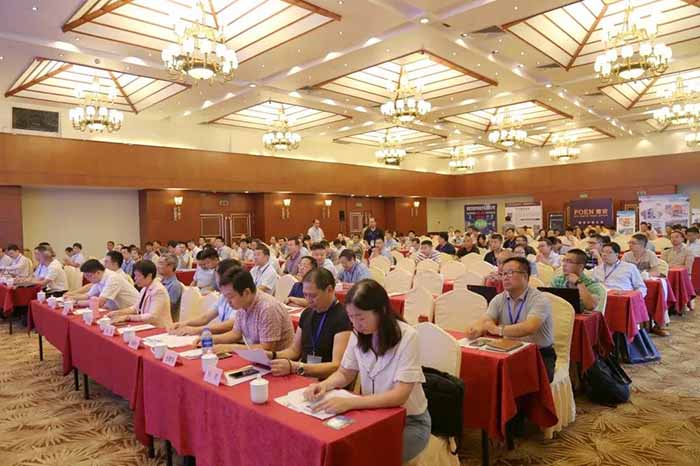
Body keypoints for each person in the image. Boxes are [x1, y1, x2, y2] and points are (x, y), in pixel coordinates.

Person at [303, 280, 430, 463]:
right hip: (372, 415)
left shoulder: (408, 337)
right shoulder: (358, 334)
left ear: (381, 311)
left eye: (361, 318)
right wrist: (324, 385)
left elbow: (399, 396)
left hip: (409, 421)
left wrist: (352, 403)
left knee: (369, 458)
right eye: (351, 317)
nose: (356, 324)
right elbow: (345, 373)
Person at [465, 257, 556, 382]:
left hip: (539, 354)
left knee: (518, 381)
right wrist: (476, 329)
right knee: (481, 374)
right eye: (503, 274)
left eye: (510, 273)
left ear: (525, 276)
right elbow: (486, 319)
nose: (505, 277)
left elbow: (529, 327)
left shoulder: (539, 299)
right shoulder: (499, 298)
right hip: (508, 350)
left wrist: (498, 330)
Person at [268, 268, 352, 379]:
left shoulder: (343, 317)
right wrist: (272, 355)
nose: (308, 300)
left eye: (313, 296)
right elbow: (294, 351)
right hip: (304, 373)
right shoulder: (307, 313)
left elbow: (336, 366)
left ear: (330, 290)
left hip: (327, 380)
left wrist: (296, 367)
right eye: (305, 295)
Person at [210, 267, 294, 352]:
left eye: (230, 297)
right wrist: (209, 339)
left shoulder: (267, 308)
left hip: (278, 358)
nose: (228, 301)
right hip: (254, 355)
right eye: (226, 297)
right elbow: (236, 334)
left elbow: (267, 348)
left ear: (246, 292)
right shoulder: (242, 304)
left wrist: (230, 348)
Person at [170, 259, 241, 336]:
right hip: (224, 336)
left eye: (216, 276)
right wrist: (184, 323)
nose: (215, 279)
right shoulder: (223, 296)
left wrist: (197, 330)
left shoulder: (239, 296)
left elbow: (231, 324)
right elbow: (205, 318)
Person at [107, 260, 173, 328]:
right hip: (146, 325)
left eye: (138, 275)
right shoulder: (144, 288)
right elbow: (135, 308)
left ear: (149, 276)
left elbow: (152, 316)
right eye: (135, 275)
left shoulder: (159, 290)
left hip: (159, 328)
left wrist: (128, 317)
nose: (135, 278)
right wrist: (117, 313)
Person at [157, 254, 184, 321]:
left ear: (171, 266)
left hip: (165, 321)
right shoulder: (159, 281)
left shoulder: (175, 285)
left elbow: (167, 309)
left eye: (161, 263)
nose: (158, 266)